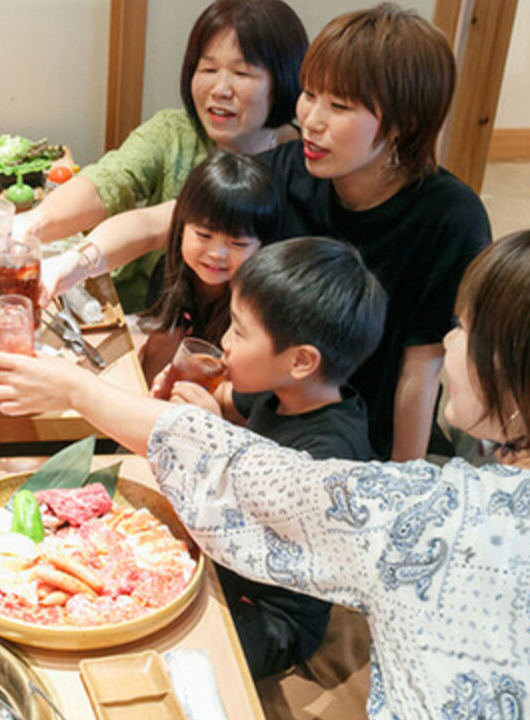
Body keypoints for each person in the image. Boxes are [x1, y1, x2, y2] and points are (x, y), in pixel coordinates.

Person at [0, 224, 530, 719]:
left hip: (277, 615)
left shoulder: (435, 520)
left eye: (468, 329)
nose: (447, 340)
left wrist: (71, 387)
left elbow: (245, 476)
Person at [257, 4, 491, 460]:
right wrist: (83, 259)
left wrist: (402, 484)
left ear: (404, 125)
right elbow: (175, 218)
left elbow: (420, 372)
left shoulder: (450, 218)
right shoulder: (291, 171)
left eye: (340, 106)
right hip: (269, 417)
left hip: (360, 446)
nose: (311, 119)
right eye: (309, 94)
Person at [158, 237, 386, 680]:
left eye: (239, 331)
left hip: (273, 612)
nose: (224, 342)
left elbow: (246, 518)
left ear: (301, 360)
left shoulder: (329, 455)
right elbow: (227, 398)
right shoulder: (281, 387)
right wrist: (187, 395)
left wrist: (211, 436)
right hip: (224, 564)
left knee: (178, 655)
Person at [31, 0, 307, 310]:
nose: (220, 89)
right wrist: (32, 226)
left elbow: (159, 224)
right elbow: (111, 181)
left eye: (242, 73)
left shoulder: (304, 165)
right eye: (208, 69)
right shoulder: (175, 131)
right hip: (146, 313)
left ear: (283, 78)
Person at [133, 150, 281, 381]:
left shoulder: (261, 305)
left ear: (263, 246)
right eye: (203, 235)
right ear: (181, 229)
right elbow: (154, 367)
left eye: (238, 243)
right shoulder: (168, 273)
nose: (216, 254)